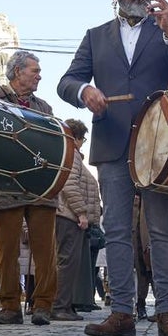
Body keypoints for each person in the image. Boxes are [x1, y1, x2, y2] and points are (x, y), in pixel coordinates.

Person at [57, 0, 168, 336]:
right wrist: (85, 91)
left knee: (162, 230)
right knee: (118, 229)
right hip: (111, 141)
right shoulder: (95, 37)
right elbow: (66, 81)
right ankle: (122, 311)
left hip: (159, 145)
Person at [0, 51, 60, 327]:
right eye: (34, 70)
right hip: (5, 185)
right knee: (6, 252)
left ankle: (43, 305)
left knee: (45, 251)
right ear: (18, 72)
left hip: (41, 187)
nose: (39, 75)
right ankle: (9, 306)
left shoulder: (45, 107)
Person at [52, 118, 101, 322]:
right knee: (67, 262)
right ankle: (60, 306)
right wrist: (81, 212)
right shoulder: (71, 154)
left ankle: (66, 305)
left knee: (70, 262)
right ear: (77, 137)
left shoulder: (71, 154)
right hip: (69, 216)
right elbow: (70, 185)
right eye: (83, 138)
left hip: (70, 215)